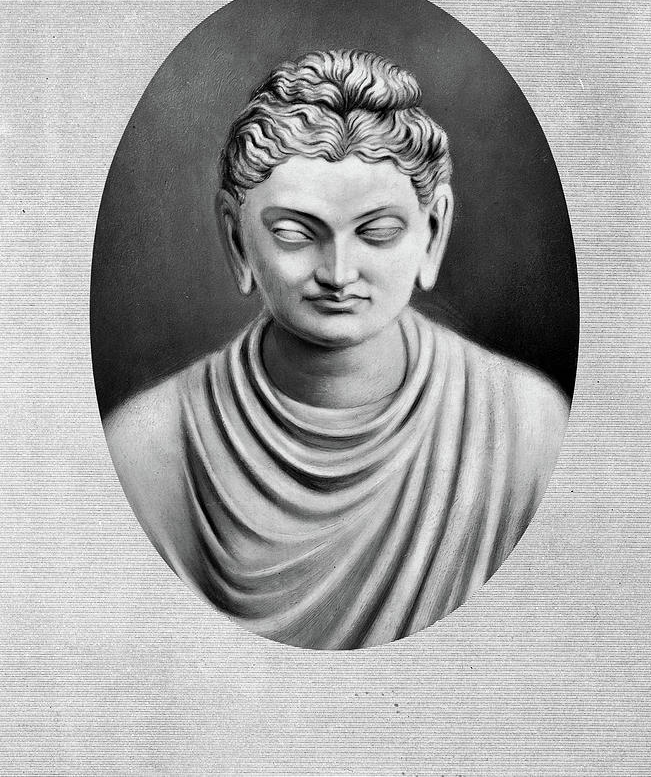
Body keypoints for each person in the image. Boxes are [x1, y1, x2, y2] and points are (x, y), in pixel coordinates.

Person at [104, 49, 569, 650]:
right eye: (296, 233)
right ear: (236, 237)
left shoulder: (525, 424)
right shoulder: (147, 449)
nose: (339, 272)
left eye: (378, 232)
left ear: (433, 231)